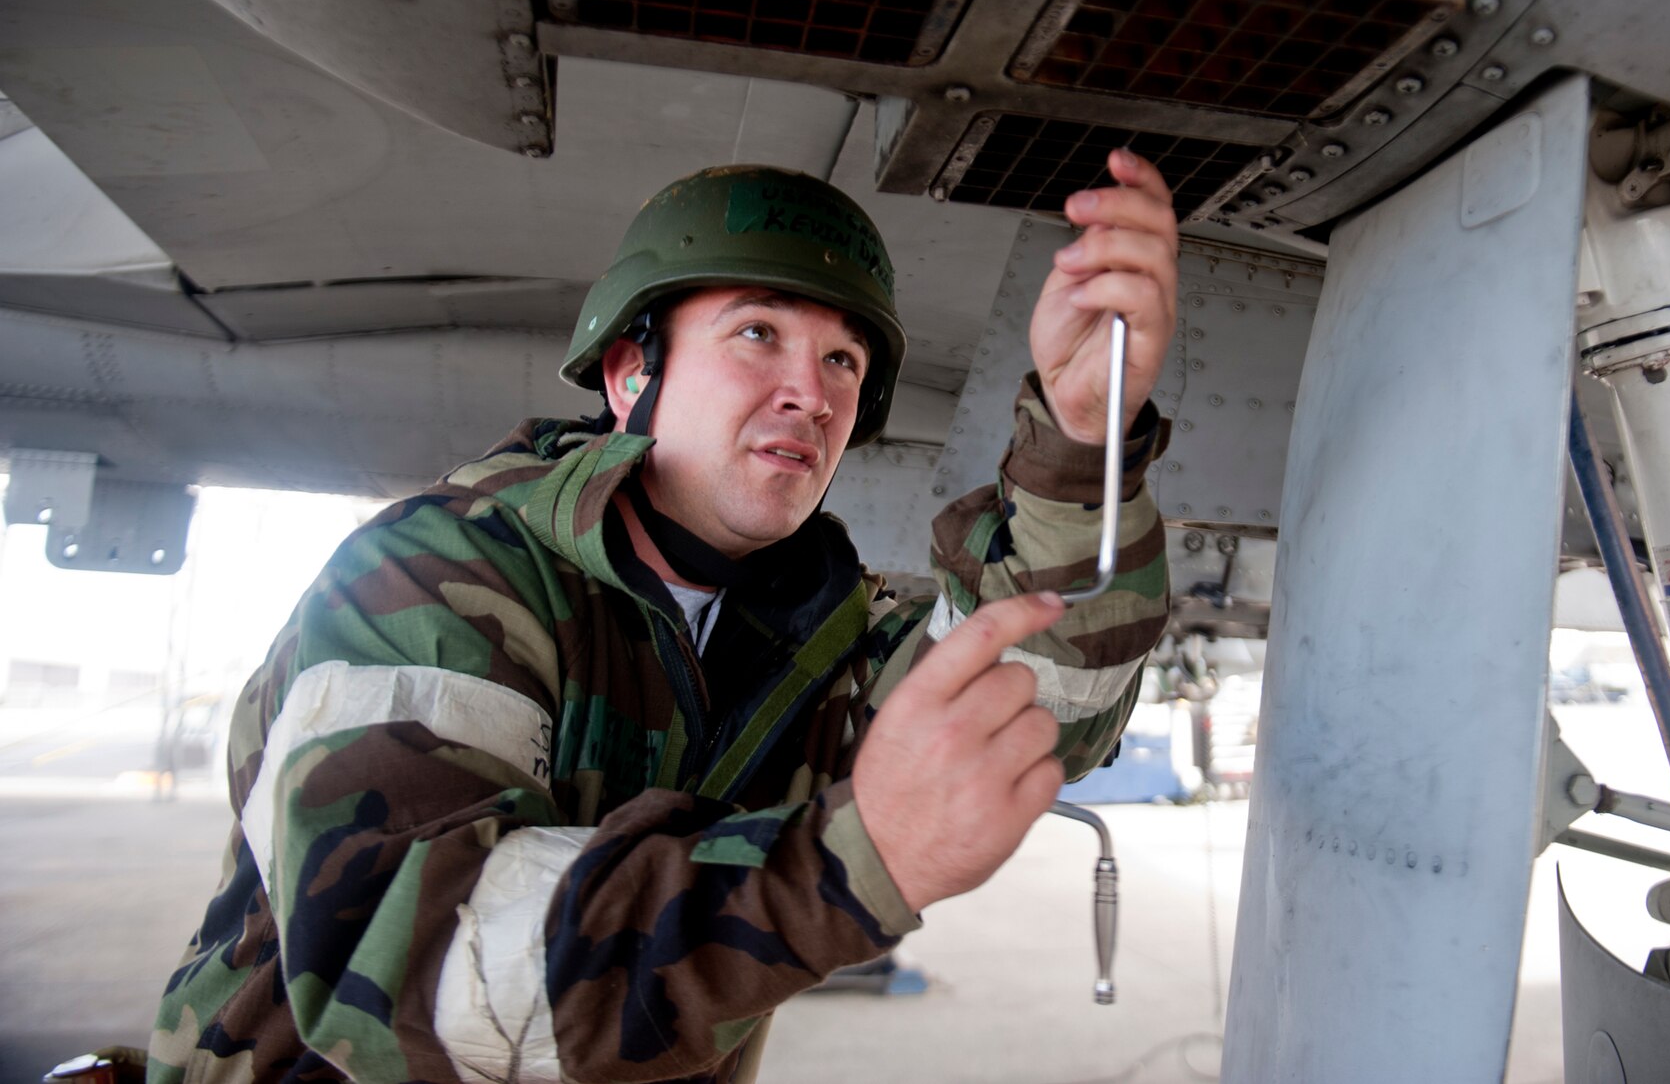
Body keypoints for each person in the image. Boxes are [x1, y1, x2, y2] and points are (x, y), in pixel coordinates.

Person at [146, 151, 1181, 1084]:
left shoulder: (818, 639)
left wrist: (1082, 438)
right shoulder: (432, 576)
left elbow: (1044, 710)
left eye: (842, 363)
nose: (809, 394)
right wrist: (846, 864)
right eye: (757, 334)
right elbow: (419, 976)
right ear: (629, 370)